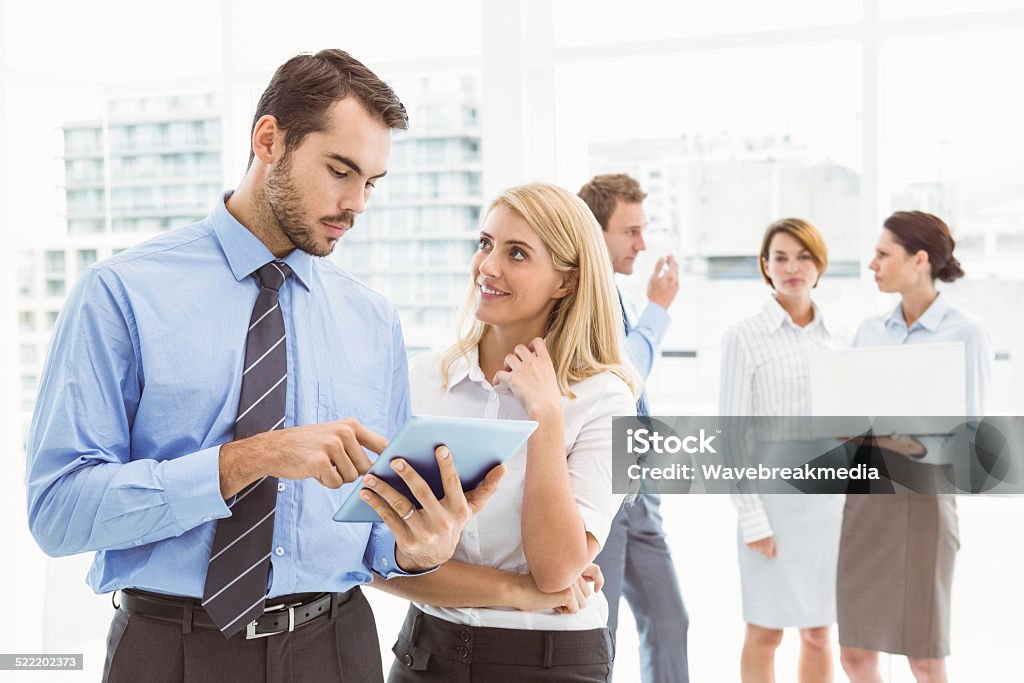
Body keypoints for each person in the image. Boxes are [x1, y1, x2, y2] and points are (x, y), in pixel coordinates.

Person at [25, 49, 503, 683]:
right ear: (269, 139)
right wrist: (247, 460)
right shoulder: (120, 294)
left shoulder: (373, 320)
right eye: (339, 170)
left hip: (337, 649)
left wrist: (422, 547)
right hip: (170, 653)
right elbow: (59, 513)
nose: (356, 203)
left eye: (371, 183)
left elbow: (380, 540)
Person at [367, 182, 638, 682]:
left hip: (553, 660)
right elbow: (375, 558)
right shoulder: (423, 381)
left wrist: (546, 416)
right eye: (485, 243)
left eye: (517, 253)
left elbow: (557, 570)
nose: (487, 267)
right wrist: (519, 590)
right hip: (427, 651)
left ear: (566, 282)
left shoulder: (609, 401)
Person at [838, 211, 993, 683]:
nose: (873, 264)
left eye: (884, 254)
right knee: (855, 654)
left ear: (919, 259)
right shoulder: (868, 332)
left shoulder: (966, 333)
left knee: (924, 658)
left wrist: (904, 440)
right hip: (866, 498)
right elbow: (846, 419)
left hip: (926, 501)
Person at [719, 218, 848, 683]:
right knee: (765, 632)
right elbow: (732, 439)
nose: (792, 267)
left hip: (829, 509)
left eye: (803, 256)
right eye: (780, 257)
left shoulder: (841, 336)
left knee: (818, 632)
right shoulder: (744, 336)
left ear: (820, 264)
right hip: (769, 508)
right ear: (765, 267)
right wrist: (752, 518)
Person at [577, 173, 689, 683]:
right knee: (606, 631)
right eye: (630, 232)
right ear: (594, 231)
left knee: (670, 620)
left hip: (640, 481)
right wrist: (658, 311)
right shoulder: (581, 296)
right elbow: (625, 375)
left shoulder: (616, 294)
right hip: (606, 482)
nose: (642, 244)